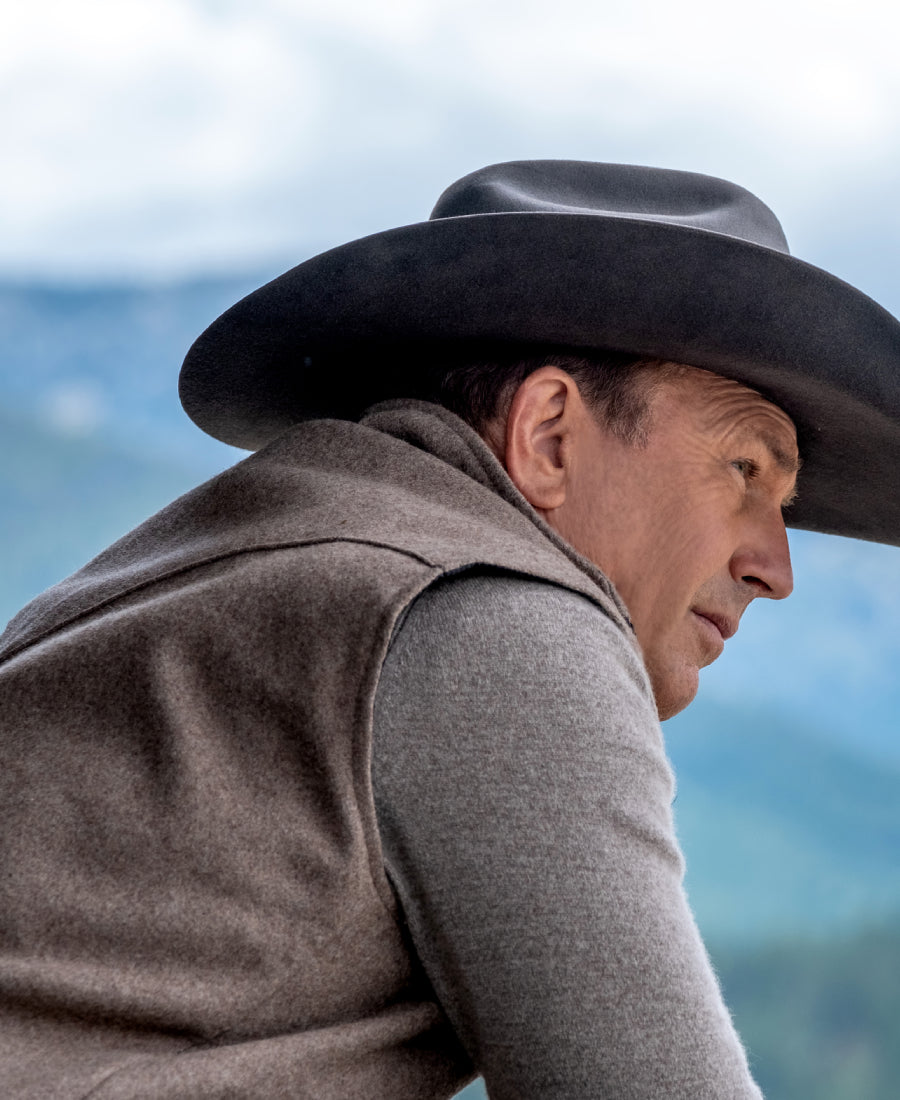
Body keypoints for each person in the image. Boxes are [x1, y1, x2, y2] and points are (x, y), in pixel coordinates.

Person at [1, 160, 899, 1099]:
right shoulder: (497, 619)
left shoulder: (200, 579)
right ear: (549, 436)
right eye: (744, 470)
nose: (775, 568)